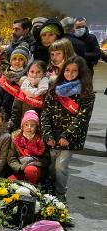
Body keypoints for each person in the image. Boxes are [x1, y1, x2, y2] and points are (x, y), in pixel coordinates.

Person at [40, 56, 95, 201]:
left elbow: (82, 118)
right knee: (51, 167)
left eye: (74, 71)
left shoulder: (86, 93)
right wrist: (48, 135)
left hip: (69, 137)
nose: (69, 74)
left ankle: (60, 196)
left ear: (81, 72)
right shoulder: (54, 89)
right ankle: (50, 194)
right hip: (53, 133)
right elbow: (45, 112)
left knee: (61, 167)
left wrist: (67, 136)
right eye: (67, 70)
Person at [7, 110, 48, 184]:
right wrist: (20, 167)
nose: (29, 127)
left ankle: (33, 187)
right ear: (22, 126)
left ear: (37, 127)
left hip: (36, 169)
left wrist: (33, 162)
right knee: (9, 182)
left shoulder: (41, 139)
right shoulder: (15, 138)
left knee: (30, 170)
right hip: (20, 168)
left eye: (32, 125)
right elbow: (11, 158)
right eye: (26, 124)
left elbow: (46, 160)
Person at [9, 60, 49, 132]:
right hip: (22, 129)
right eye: (32, 72)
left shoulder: (48, 91)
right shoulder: (23, 89)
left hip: (39, 130)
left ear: (44, 74)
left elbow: (46, 115)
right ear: (27, 73)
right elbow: (16, 112)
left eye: (38, 72)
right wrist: (16, 130)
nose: (34, 75)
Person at [0, 43, 31, 120]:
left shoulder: (27, 78)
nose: (17, 61)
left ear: (25, 62)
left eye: (21, 59)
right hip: (1, 115)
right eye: (14, 59)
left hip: (16, 116)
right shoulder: (4, 75)